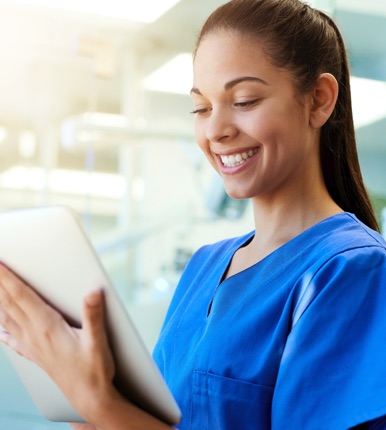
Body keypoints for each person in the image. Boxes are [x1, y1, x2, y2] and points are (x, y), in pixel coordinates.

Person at [1, 0, 386, 428]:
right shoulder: (204, 267)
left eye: (244, 100)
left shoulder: (352, 270)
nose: (215, 130)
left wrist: (99, 403)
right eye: (201, 108)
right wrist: (76, 388)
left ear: (318, 100)